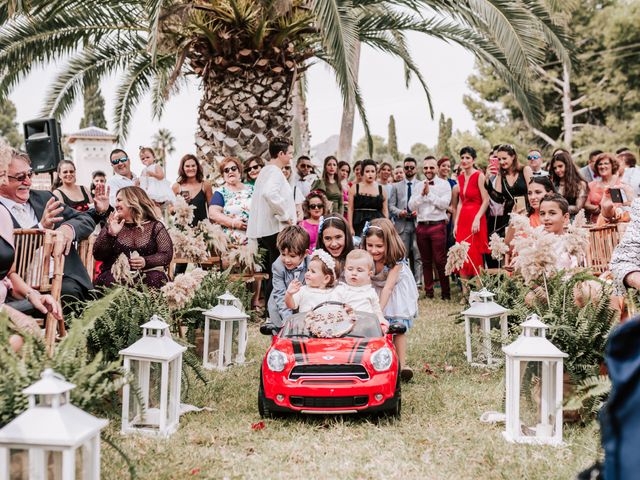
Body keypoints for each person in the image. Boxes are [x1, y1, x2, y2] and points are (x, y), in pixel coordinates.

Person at [0, 150, 100, 309]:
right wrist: (41, 229)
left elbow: (85, 218)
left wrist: (68, 228)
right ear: (2, 178)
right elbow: (4, 258)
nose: (28, 182)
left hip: (61, 278)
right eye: (20, 177)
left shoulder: (44, 197)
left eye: (30, 175)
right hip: (17, 287)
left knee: (69, 296)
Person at [0, 143, 59, 350]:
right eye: (3, 176)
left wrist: (33, 295)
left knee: (29, 334)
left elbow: (10, 272)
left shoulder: (4, 217)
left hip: (5, 300)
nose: (27, 181)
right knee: (22, 337)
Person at [363, 218, 419, 381]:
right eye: (370, 245)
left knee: (397, 327)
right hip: (375, 290)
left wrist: (378, 311)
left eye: (379, 246)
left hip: (394, 290)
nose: (374, 250)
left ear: (389, 243)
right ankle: (378, 362)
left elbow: (388, 288)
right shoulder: (365, 256)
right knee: (375, 328)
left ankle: (402, 365)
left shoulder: (396, 259)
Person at [246, 137, 296, 302]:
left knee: (273, 273)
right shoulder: (274, 172)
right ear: (281, 153)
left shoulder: (267, 171)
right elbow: (270, 193)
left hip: (268, 232)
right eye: (290, 153)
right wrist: (285, 215)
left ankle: (270, 313)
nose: (291, 157)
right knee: (277, 273)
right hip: (275, 230)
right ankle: (272, 313)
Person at [93, 186, 173, 288]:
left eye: (119, 200)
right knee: (113, 281)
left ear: (133, 200)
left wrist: (146, 261)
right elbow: (98, 255)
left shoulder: (155, 226)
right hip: (116, 275)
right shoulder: (112, 224)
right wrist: (110, 234)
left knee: (156, 278)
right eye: (116, 201)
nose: (116, 205)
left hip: (147, 275)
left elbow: (166, 254)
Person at [409, 157, 452, 300]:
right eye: (426, 168)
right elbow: (411, 206)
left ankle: (446, 293)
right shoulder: (417, 186)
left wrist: (429, 194)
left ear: (437, 169)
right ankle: (429, 292)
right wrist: (421, 195)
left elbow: (444, 204)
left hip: (437, 225)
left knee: (440, 261)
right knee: (425, 260)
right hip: (421, 226)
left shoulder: (444, 185)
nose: (428, 170)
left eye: (431, 167)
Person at [454, 146, 490, 298]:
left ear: (473, 160)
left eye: (468, 157)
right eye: (462, 157)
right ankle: (465, 292)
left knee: (474, 254)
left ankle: (479, 290)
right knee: (461, 253)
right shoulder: (460, 177)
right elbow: (461, 202)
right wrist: (456, 223)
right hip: (463, 219)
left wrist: (477, 218)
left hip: (476, 218)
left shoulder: (479, 175)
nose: (464, 160)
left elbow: (486, 200)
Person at [171, 154, 213, 275]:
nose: (191, 168)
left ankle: (207, 292)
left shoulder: (206, 185)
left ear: (197, 167)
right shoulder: (176, 187)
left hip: (201, 230)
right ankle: (178, 290)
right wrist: (181, 204)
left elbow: (212, 208)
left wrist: (213, 229)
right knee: (180, 266)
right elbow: (170, 210)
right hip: (182, 232)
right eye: (187, 166)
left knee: (204, 266)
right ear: (183, 168)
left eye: (193, 165)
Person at [267, 225, 310, 328]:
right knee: (281, 334)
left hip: (303, 306)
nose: (286, 260)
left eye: (292, 256)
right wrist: (288, 320)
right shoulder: (278, 266)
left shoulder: (312, 264)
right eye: (283, 254)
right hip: (280, 306)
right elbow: (280, 294)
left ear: (305, 254)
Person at [485, 144, 533, 236]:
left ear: (513, 156)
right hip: (508, 215)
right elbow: (498, 198)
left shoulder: (525, 170)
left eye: (504, 158)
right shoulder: (501, 175)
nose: (501, 162)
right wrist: (487, 178)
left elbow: (532, 191)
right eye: (499, 159)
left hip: (526, 211)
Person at [389, 157, 422, 285]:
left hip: (417, 223)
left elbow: (424, 204)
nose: (409, 170)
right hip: (401, 224)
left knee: (418, 255)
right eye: (406, 167)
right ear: (403, 169)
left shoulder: (420, 184)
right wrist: (399, 212)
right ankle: (404, 281)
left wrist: (418, 212)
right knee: (403, 255)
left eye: (411, 167)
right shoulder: (396, 186)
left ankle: (418, 282)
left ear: (416, 169)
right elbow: (391, 206)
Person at [208, 157, 253, 247]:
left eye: (233, 168)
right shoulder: (220, 192)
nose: (230, 172)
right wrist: (233, 223)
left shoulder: (252, 189)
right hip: (232, 245)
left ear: (239, 171)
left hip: (256, 241)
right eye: (226, 170)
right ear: (223, 175)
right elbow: (213, 213)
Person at [336, 249, 386, 326]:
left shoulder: (370, 292)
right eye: (350, 269)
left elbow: (377, 311)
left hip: (367, 327)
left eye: (359, 270)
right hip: (345, 326)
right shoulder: (340, 290)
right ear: (344, 270)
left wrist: (382, 321)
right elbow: (334, 309)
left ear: (369, 274)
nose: (354, 273)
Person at [585, 153, 633, 223]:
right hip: (595, 225)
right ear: (596, 167)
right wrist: (601, 208)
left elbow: (624, 204)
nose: (602, 166)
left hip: (617, 224)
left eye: (606, 163)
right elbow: (586, 205)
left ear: (612, 165)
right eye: (600, 164)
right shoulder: (591, 185)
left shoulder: (619, 184)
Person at [349, 159, 388, 237]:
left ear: (376, 173)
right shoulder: (355, 188)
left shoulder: (381, 189)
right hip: (358, 223)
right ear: (362, 173)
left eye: (373, 171)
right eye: (367, 171)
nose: (370, 174)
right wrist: (350, 227)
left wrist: (386, 226)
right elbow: (350, 208)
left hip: (377, 223)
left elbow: (385, 209)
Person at [549, 150, 588, 217]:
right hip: (554, 219)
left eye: (560, 166)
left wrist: (557, 208)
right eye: (555, 168)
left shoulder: (580, 184)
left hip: (573, 221)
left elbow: (578, 207)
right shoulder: (553, 183)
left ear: (568, 165)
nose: (557, 170)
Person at [139, 147, 175, 211]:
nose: (145, 159)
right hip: (146, 189)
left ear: (154, 157)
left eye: (147, 157)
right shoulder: (143, 170)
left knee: (156, 205)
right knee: (148, 205)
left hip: (156, 189)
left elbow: (161, 176)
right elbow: (141, 180)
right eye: (143, 159)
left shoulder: (156, 166)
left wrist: (153, 174)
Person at [437, 156, 459, 247]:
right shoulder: (434, 183)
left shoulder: (453, 183)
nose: (446, 168)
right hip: (437, 218)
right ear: (438, 167)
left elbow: (457, 203)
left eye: (448, 166)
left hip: (451, 220)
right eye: (443, 166)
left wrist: (450, 214)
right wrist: (448, 210)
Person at [293, 155, 316, 221]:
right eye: (303, 166)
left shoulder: (308, 184)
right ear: (297, 166)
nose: (306, 168)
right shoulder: (291, 181)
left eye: (308, 166)